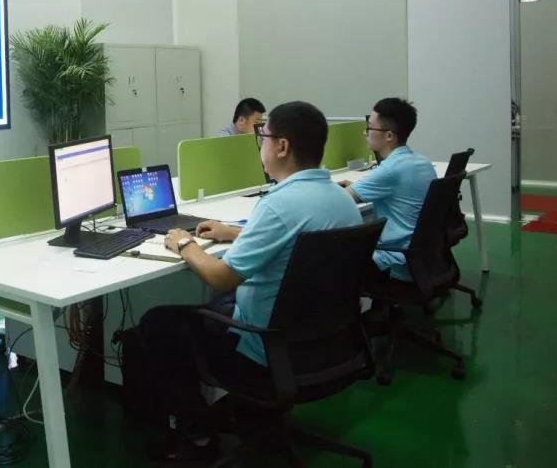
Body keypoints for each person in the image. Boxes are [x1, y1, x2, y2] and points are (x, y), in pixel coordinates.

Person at [137, 101, 362, 456]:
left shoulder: (278, 204)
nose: (260, 146)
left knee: (157, 324)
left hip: (268, 348)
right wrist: (235, 233)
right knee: (213, 308)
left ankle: (198, 432)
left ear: (282, 146)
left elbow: (220, 276)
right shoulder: (341, 199)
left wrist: (184, 243)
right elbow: (296, 240)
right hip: (328, 342)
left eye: (263, 137)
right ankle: (240, 417)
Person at [338, 98, 435, 282]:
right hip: (422, 257)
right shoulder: (422, 162)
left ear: (389, 135)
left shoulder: (390, 170)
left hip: (395, 259)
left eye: (369, 127)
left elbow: (342, 199)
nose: (365, 132)